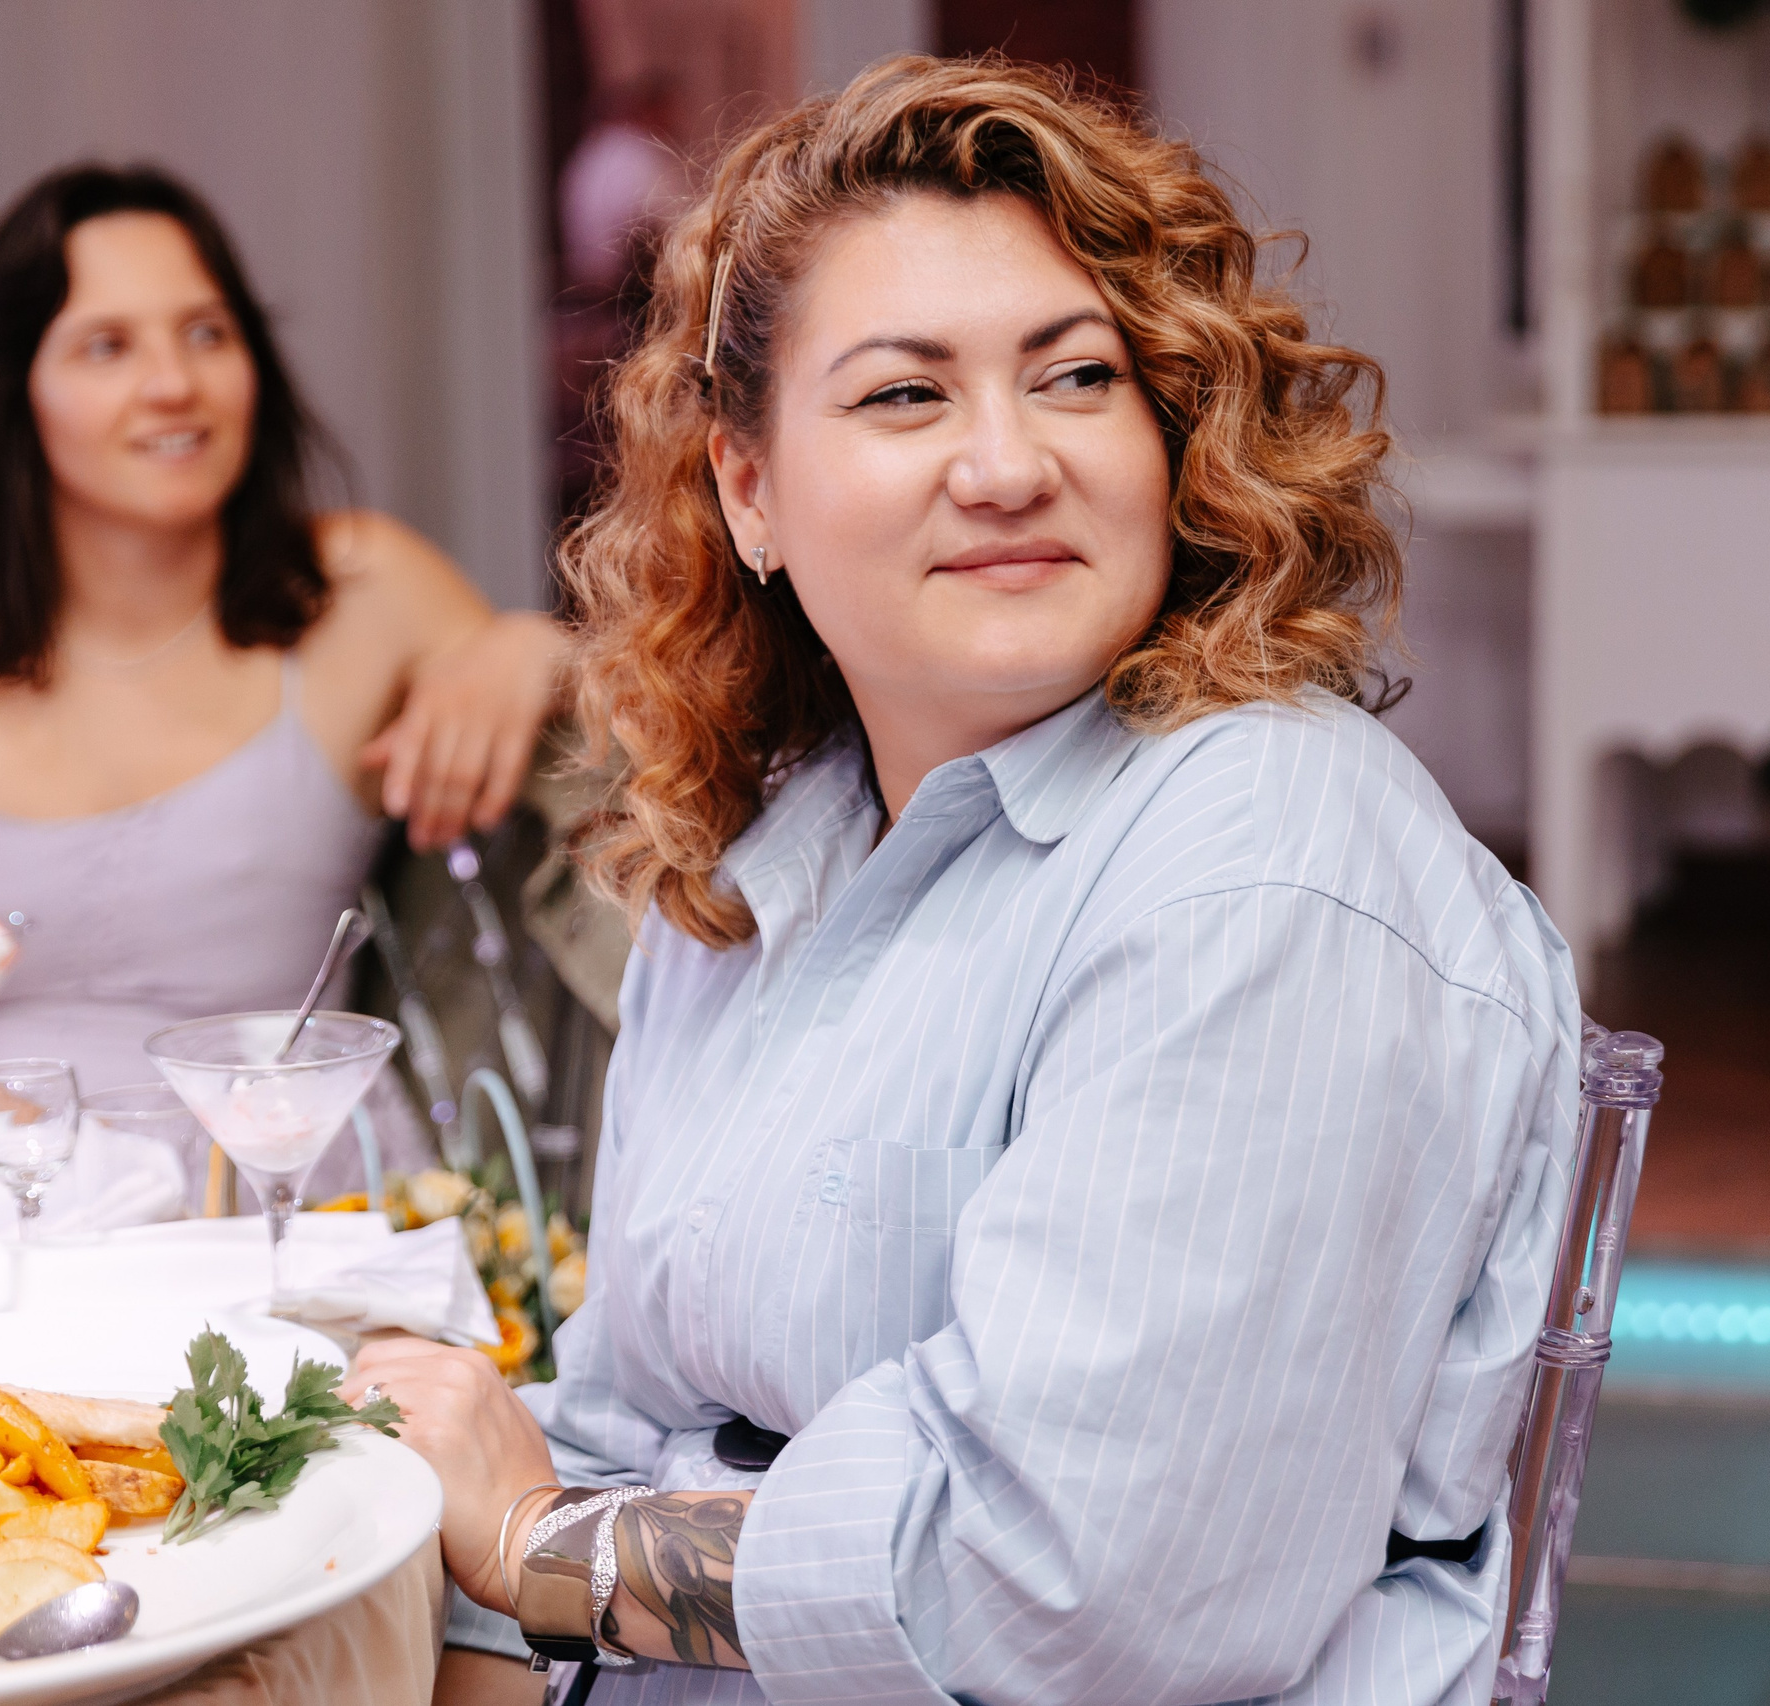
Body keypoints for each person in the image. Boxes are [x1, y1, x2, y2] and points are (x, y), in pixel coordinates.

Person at [350, 55, 1579, 1706]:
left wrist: (546, 1554)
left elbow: (1083, 1578)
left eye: (1077, 379)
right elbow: (619, 1410)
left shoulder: (1267, 861)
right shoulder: (760, 857)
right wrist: (504, 1617)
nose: (1007, 463)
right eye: (905, 396)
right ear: (750, 490)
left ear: (1172, 434)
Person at [0, 165, 566, 1197]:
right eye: (107, 345)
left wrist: (541, 647)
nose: (175, 383)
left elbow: (655, 719)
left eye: (207, 332)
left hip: (290, 1210)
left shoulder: (363, 589)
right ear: (14, 389)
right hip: (3, 1210)